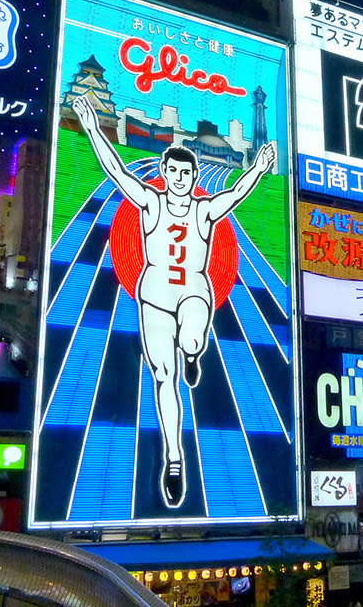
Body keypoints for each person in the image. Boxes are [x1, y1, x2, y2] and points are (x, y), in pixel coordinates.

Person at [72, 94, 275, 508]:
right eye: (175, 170)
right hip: (154, 296)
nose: (180, 177)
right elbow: (114, 171)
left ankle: (194, 351)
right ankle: (174, 457)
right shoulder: (149, 201)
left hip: (194, 292)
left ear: (193, 174)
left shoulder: (203, 210)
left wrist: (257, 168)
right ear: (164, 172)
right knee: (164, 378)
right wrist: (93, 126)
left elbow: (235, 194)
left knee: (194, 338)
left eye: (187, 171)